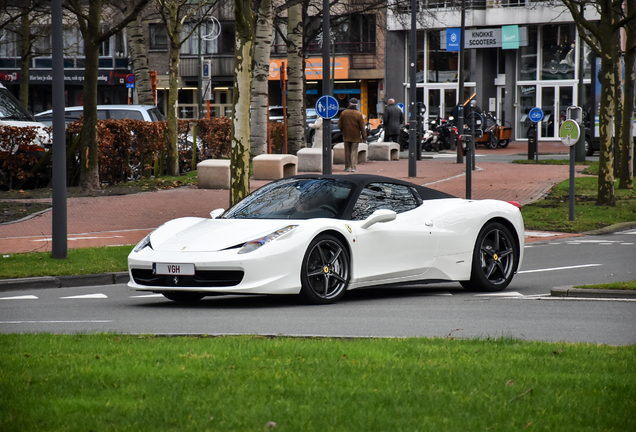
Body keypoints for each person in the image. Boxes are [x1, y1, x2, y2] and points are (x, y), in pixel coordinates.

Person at [338, 98, 367, 172]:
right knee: (354, 151)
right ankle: (353, 167)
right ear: (356, 105)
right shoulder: (358, 114)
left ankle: (347, 167)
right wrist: (364, 137)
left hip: (346, 135)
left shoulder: (344, 113)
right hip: (355, 135)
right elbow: (362, 127)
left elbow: (339, 125)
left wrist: (343, 131)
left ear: (350, 103)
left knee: (347, 151)